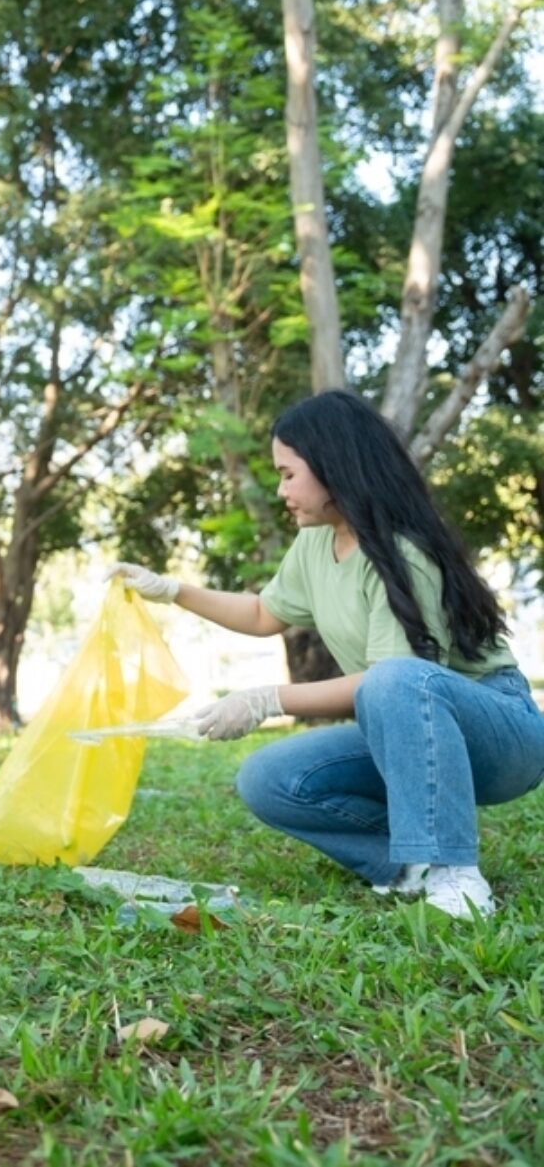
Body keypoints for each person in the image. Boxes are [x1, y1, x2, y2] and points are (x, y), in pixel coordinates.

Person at [110, 390, 542, 918]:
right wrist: (173, 590)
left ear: (334, 465)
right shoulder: (316, 543)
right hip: (401, 730)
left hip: (500, 735)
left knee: (396, 679)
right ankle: (407, 866)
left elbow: (392, 680)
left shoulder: (403, 554)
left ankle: (456, 875)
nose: (281, 488)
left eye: (288, 473)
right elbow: (264, 615)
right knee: (268, 779)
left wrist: (269, 699)